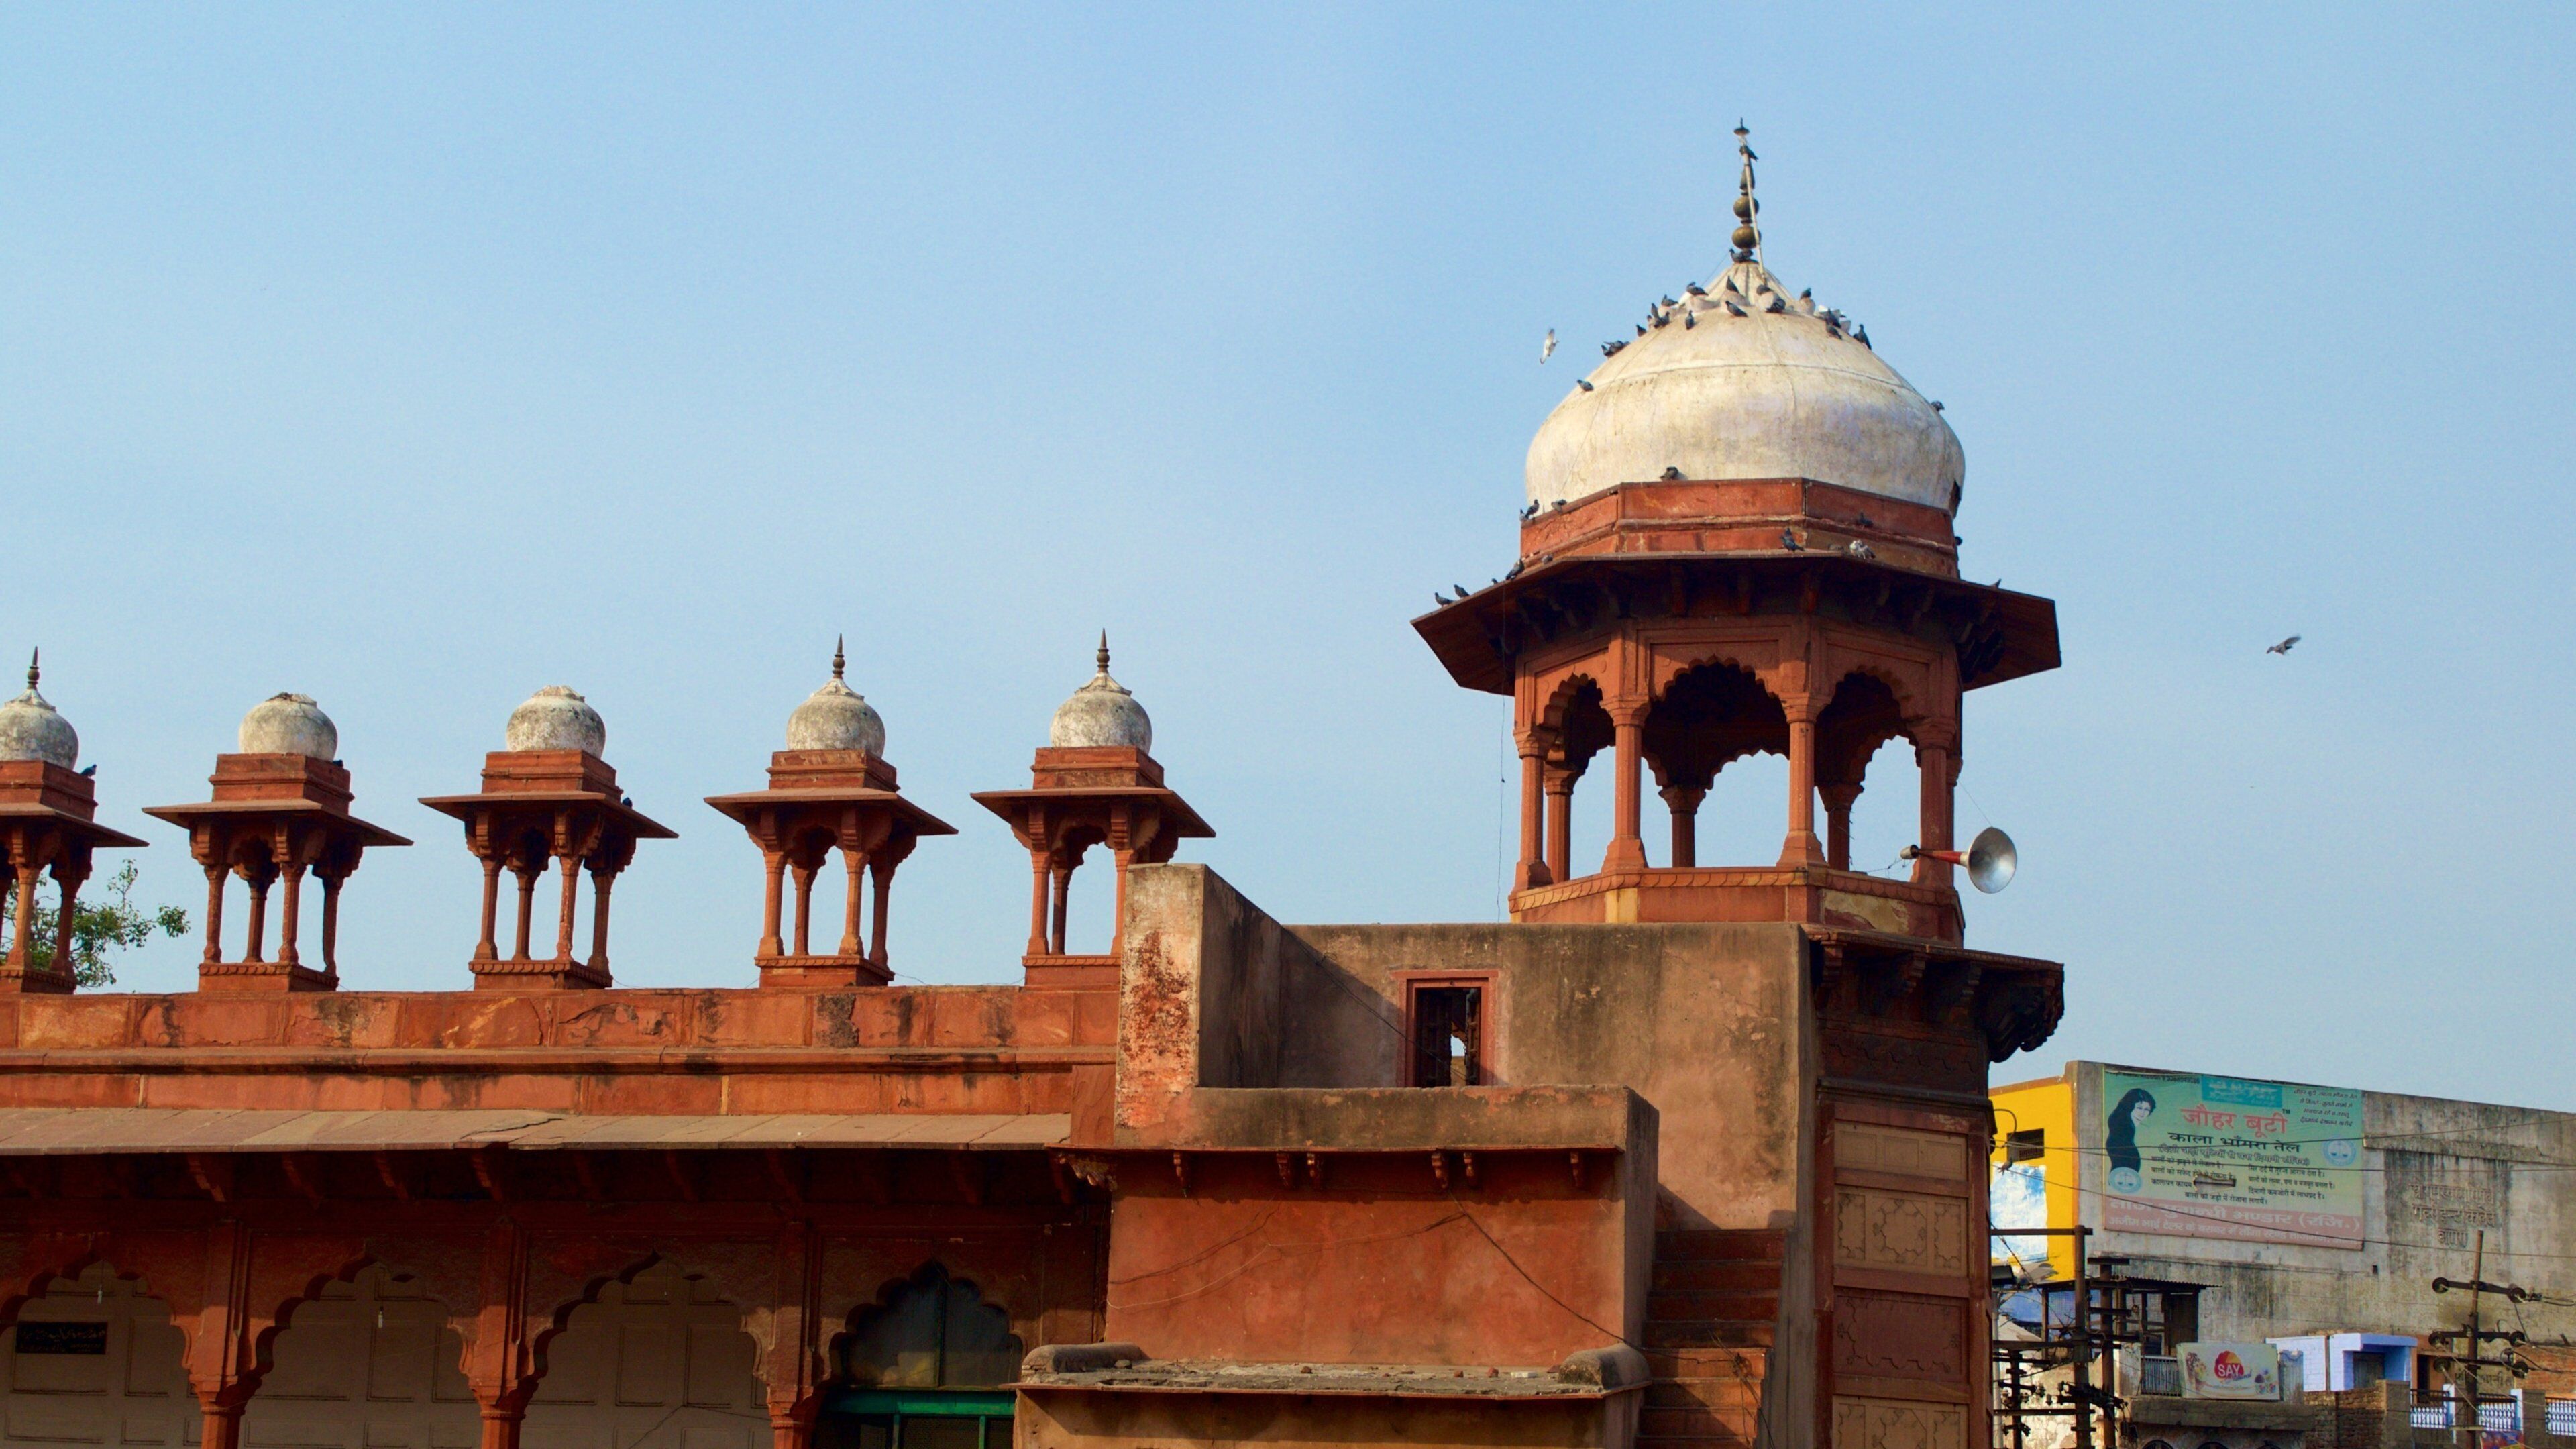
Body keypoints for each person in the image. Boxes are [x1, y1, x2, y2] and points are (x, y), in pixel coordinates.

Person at [2106, 1087, 2157, 1193]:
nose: (2142, 1113)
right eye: (2139, 1108)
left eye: (2146, 1110)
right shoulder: (2123, 1127)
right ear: (2129, 1106)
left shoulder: (2125, 1125)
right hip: (2122, 1178)